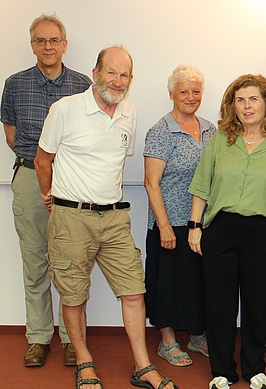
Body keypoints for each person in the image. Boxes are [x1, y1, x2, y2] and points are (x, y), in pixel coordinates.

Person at [35, 46, 177, 389]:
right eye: (111, 72)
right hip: (71, 216)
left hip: (114, 217)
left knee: (133, 291)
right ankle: (84, 362)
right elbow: (43, 161)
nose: (117, 81)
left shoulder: (128, 112)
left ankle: (143, 367)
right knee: (74, 295)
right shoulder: (65, 110)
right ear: (96, 73)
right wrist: (49, 197)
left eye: (125, 75)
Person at [188, 74, 266, 389]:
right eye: (240, 100)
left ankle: (254, 368)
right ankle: (221, 371)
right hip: (220, 229)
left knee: (257, 303)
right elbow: (202, 184)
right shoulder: (220, 140)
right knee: (219, 303)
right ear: (233, 106)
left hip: (265, 232)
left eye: (253, 99)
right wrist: (195, 226)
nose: (246, 106)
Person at [1, 13, 91, 368]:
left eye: (54, 40)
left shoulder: (83, 84)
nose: (48, 46)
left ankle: (73, 340)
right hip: (27, 177)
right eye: (40, 40)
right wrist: (38, 166)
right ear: (32, 45)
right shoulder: (15, 83)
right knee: (35, 260)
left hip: (72, 181)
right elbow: (11, 134)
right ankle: (39, 338)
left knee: (72, 262)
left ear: (64, 44)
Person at [144, 64, 216, 367]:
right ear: (172, 93)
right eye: (184, 91)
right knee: (167, 284)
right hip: (170, 223)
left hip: (202, 224)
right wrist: (164, 227)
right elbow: (151, 182)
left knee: (198, 282)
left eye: (196, 91)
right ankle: (168, 341)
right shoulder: (160, 132)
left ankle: (198, 336)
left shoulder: (211, 129)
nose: (190, 96)